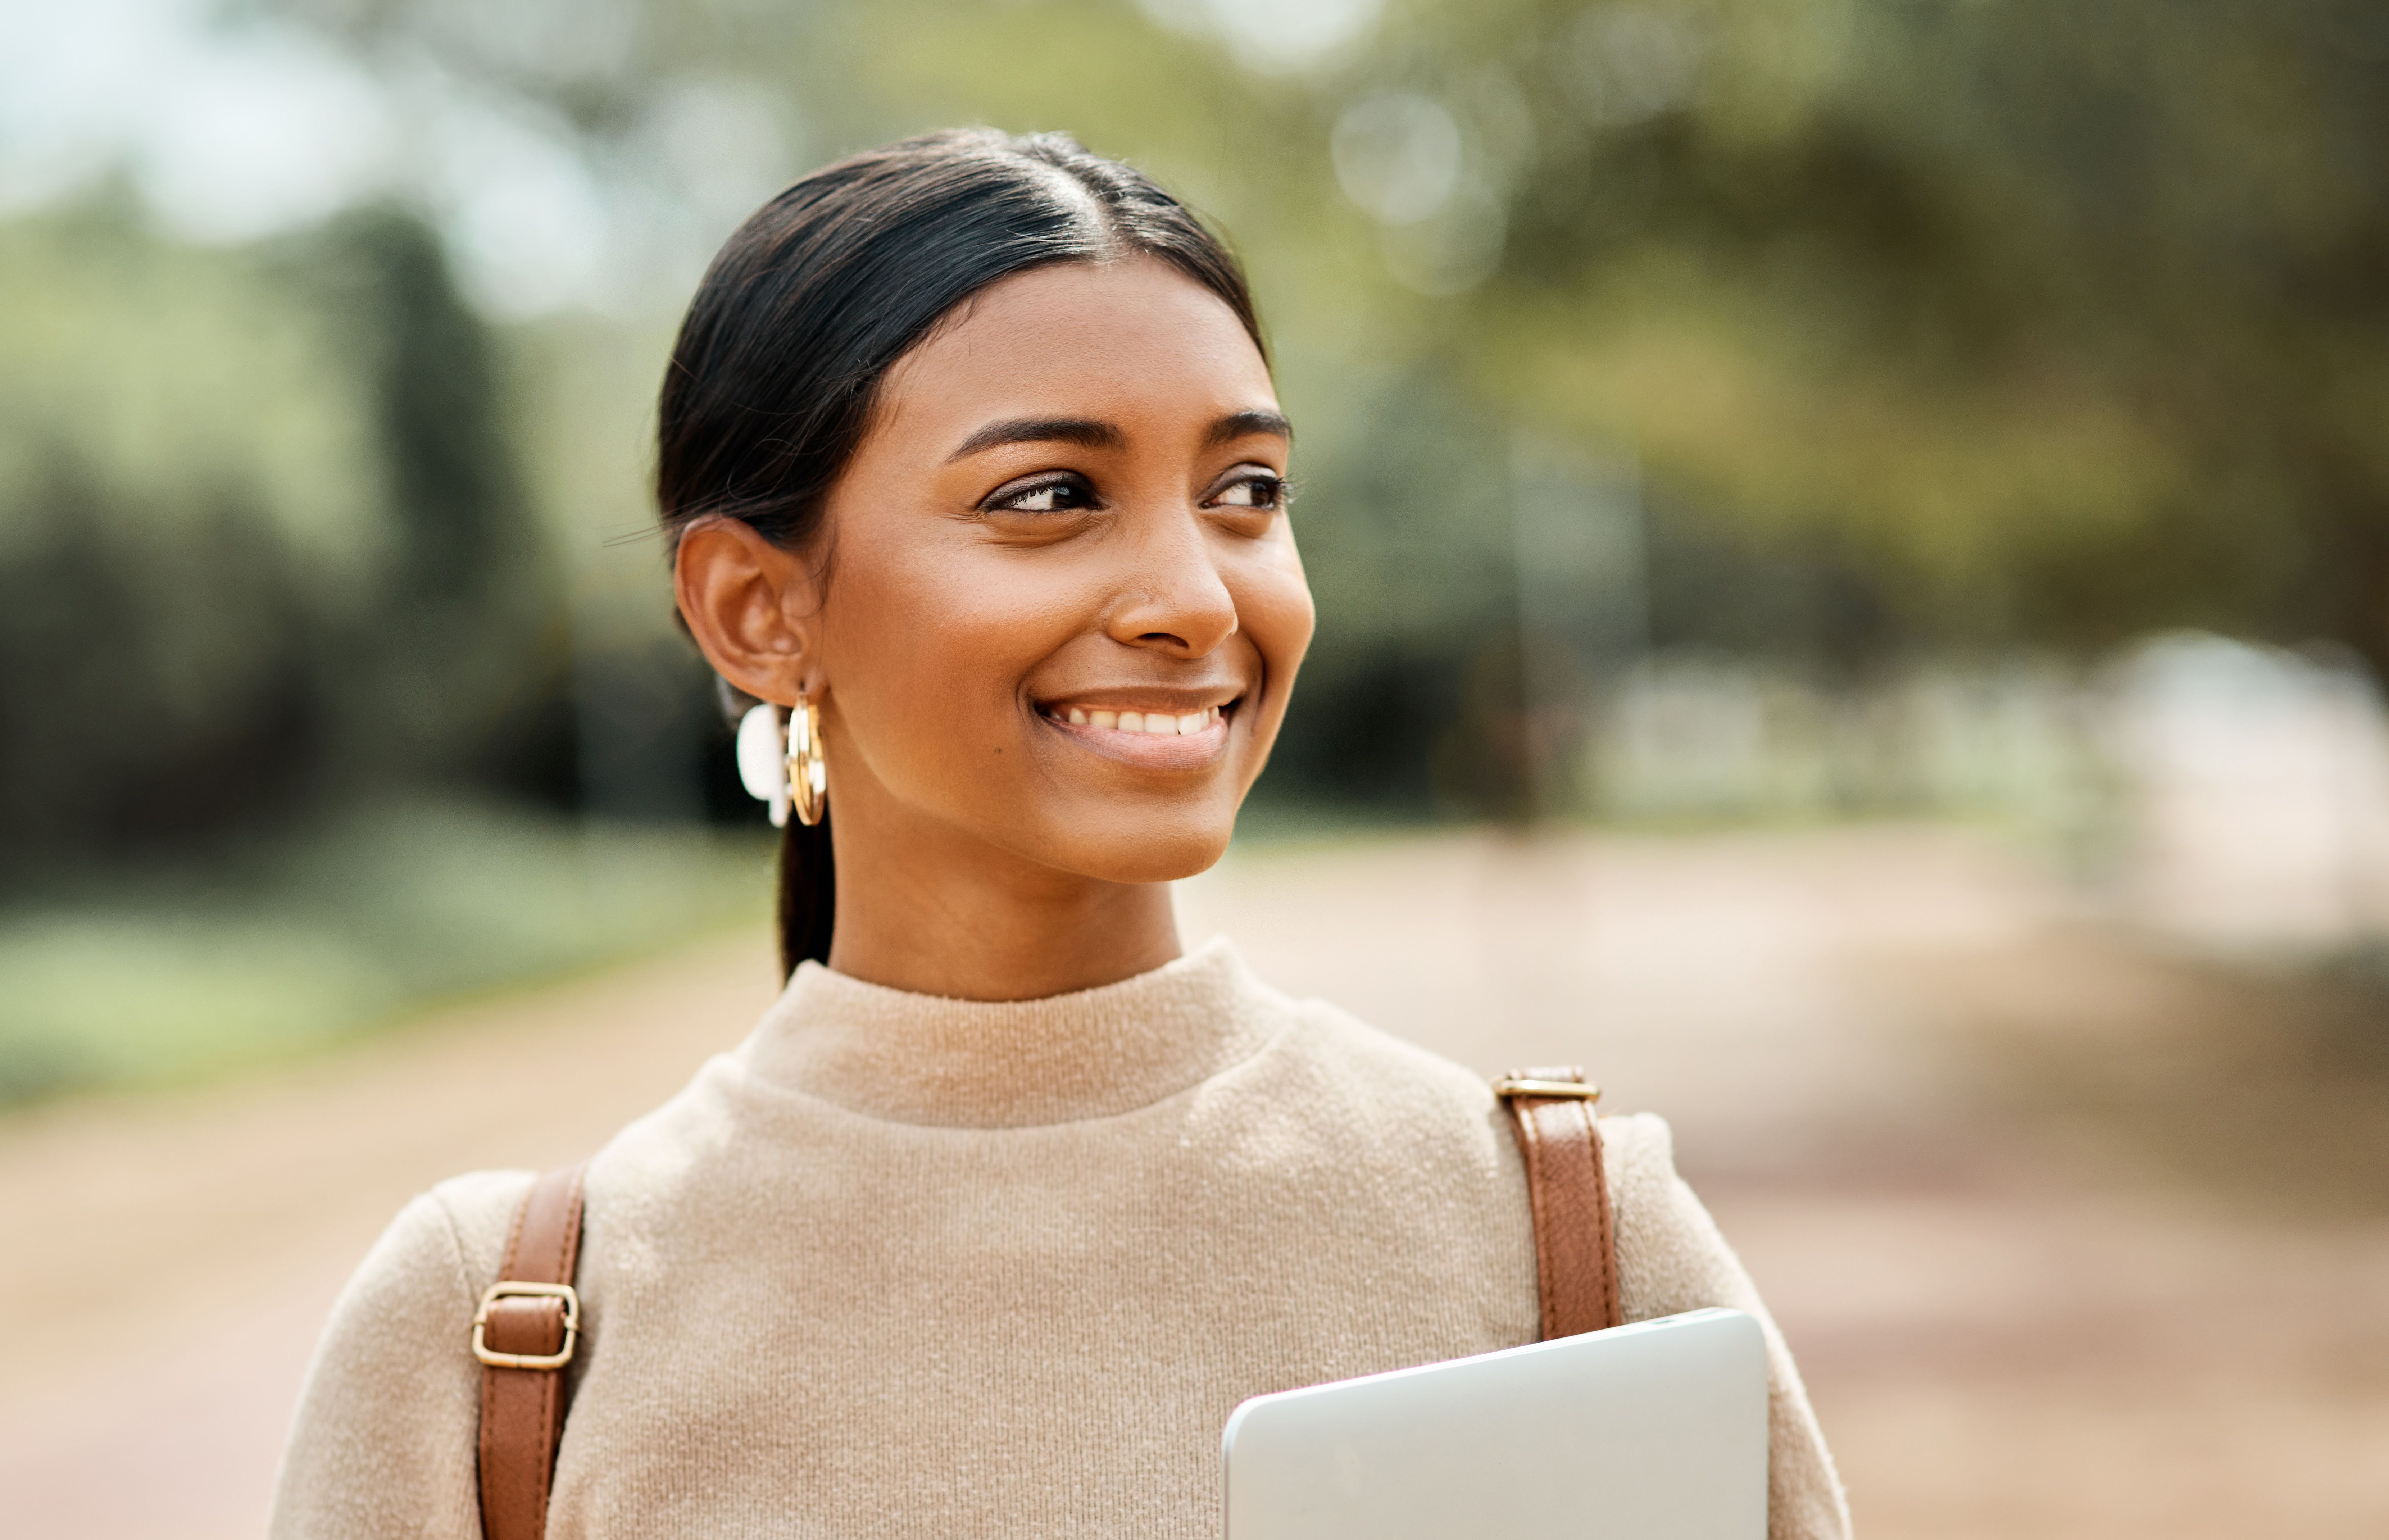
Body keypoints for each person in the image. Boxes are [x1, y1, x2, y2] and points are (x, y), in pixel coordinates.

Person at [270, 128, 1849, 1539]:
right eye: (1046, 499)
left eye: (1244, 488)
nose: (1194, 598)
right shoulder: (501, 1333)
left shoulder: (1562, 1238)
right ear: (757, 610)